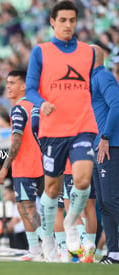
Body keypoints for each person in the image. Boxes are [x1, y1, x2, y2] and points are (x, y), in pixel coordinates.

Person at [25, 1, 98, 262]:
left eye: (72, 20)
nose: (68, 25)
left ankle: (70, 224)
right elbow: (30, 89)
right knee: (53, 189)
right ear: (52, 22)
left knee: (83, 181)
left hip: (83, 126)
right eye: (63, 20)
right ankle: (46, 237)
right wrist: (41, 103)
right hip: (53, 129)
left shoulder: (89, 53)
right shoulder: (40, 52)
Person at [0, 70, 43, 262]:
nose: (8, 86)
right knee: (25, 208)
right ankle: (35, 249)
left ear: (24, 85)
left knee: (28, 208)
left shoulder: (18, 109)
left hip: (26, 165)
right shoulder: (36, 106)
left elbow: (16, 141)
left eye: (12, 82)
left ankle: (48, 245)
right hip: (39, 163)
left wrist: (4, 168)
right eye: (7, 82)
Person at [90, 45, 119, 264]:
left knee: (111, 199)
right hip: (100, 146)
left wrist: (106, 136)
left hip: (110, 145)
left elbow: (117, 105)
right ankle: (114, 252)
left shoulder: (103, 77)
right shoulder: (92, 80)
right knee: (104, 202)